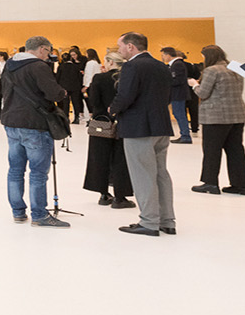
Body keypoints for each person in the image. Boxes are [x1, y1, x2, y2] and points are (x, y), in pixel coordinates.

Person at [0, 37, 70, 228]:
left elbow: (1, 90)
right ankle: (39, 215)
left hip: (11, 122)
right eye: (48, 52)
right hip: (35, 124)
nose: (48, 56)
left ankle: (18, 212)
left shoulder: (9, 65)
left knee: (15, 170)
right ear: (41, 49)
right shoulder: (38, 66)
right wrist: (63, 92)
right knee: (38, 173)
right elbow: (54, 93)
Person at [109, 32, 175, 236]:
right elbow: (168, 95)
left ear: (130, 46)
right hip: (161, 125)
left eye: (120, 46)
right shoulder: (161, 66)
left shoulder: (132, 66)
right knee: (161, 173)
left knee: (143, 175)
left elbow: (126, 95)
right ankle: (167, 220)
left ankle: (149, 222)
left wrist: (113, 109)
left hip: (138, 128)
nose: (118, 50)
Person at [190, 45, 245, 196]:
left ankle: (210, 183)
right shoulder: (236, 68)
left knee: (211, 150)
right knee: (236, 150)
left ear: (209, 56)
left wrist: (194, 85)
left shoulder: (211, 70)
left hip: (215, 117)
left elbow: (203, 93)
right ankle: (241, 185)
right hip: (237, 114)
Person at [83, 53, 134, 209]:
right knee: (121, 158)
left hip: (102, 122)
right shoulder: (127, 78)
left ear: (110, 62)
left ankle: (103, 194)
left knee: (99, 158)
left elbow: (93, 101)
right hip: (123, 122)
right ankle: (121, 196)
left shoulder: (99, 78)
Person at [161, 46, 200, 143]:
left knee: (180, 114)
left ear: (168, 55)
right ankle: (184, 134)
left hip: (178, 94)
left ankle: (185, 136)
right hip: (177, 94)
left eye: (163, 55)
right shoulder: (176, 64)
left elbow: (178, 80)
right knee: (178, 114)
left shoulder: (177, 65)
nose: (162, 58)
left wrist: (165, 82)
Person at [55, 49, 86, 124]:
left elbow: (57, 77)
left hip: (64, 87)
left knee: (66, 103)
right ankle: (76, 118)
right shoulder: (75, 67)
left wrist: (58, 86)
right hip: (75, 87)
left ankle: (66, 118)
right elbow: (79, 77)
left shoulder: (61, 67)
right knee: (76, 102)